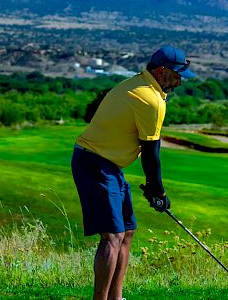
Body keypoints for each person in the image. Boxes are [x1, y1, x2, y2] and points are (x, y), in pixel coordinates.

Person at [71, 45, 196, 300]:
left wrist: (153, 188)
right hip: (94, 162)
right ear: (161, 72)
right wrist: (158, 191)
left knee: (127, 231)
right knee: (113, 235)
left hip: (110, 164)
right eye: (177, 74)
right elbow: (151, 152)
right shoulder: (149, 98)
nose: (180, 80)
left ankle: (116, 297)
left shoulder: (144, 86)